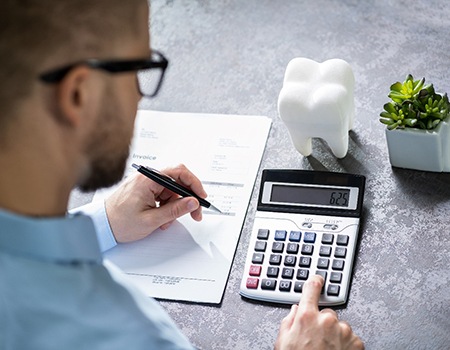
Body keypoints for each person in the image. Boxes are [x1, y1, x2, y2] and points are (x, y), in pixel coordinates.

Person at [0, 0, 364, 349]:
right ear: (80, 95)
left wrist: (105, 222)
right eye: (138, 71)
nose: (140, 98)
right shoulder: (125, 335)